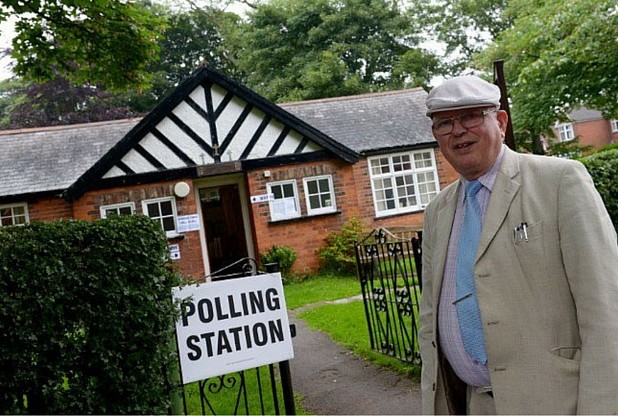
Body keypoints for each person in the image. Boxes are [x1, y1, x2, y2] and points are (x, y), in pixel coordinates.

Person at [418, 75, 618, 414]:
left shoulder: (560, 181)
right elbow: (429, 317)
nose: (457, 130)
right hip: (474, 403)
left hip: (557, 404)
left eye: (470, 116)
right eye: (444, 123)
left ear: (499, 120)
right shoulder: (438, 211)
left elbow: (606, 310)